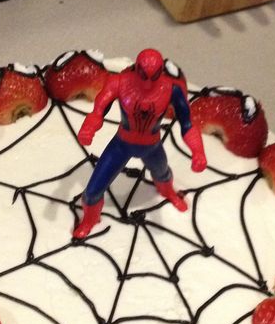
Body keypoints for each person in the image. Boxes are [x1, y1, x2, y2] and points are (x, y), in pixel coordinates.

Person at [73, 48, 207, 239]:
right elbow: (99, 109)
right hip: (122, 145)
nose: (147, 83)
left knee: (162, 173)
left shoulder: (171, 90)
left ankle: (168, 191)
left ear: (161, 72)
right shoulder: (119, 82)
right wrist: (89, 128)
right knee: (94, 190)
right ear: (136, 69)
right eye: (143, 75)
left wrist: (198, 151)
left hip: (152, 146)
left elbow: (187, 124)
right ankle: (89, 220)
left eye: (154, 77)